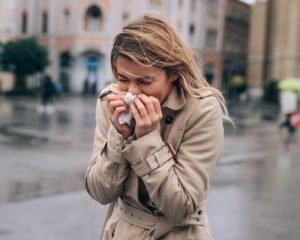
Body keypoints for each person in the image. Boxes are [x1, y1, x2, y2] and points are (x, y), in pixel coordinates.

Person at [85, 14, 227, 240]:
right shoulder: (109, 102)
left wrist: (147, 139)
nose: (131, 92)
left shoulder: (202, 110)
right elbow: (100, 192)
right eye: (123, 78)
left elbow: (181, 206)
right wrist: (119, 136)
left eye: (144, 81)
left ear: (173, 74)